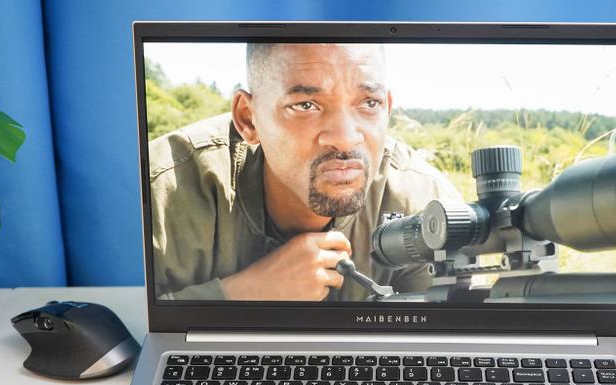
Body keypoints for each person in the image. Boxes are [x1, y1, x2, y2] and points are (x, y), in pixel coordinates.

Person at [149, 43, 462, 301]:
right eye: (305, 105)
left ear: (387, 109)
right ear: (248, 118)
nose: (345, 138)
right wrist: (244, 293)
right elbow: (136, 329)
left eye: (369, 103)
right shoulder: (161, 190)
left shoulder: (427, 203)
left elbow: (447, 338)